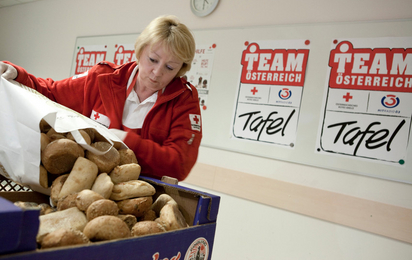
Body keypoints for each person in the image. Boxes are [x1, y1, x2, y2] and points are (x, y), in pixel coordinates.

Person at [0, 15, 202, 181]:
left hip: (141, 198)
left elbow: (179, 164)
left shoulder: (185, 100)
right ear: (140, 51)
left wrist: (125, 141)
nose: (157, 73)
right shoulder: (102, 78)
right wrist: (18, 75)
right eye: (152, 60)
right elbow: (52, 93)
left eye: (169, 67)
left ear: (180, 70)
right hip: (82, 184)